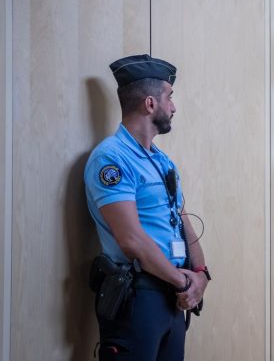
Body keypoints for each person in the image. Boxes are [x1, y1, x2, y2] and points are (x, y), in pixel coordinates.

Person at [84, 54, 210, 360]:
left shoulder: (163, 161)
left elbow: (181, 220)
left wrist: (201, 274)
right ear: (150, 104)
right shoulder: (111, 159)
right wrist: (182, 281)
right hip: (138, 297)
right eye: (169, 97)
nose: (174, 107)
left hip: (172, 296)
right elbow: (131, 240)